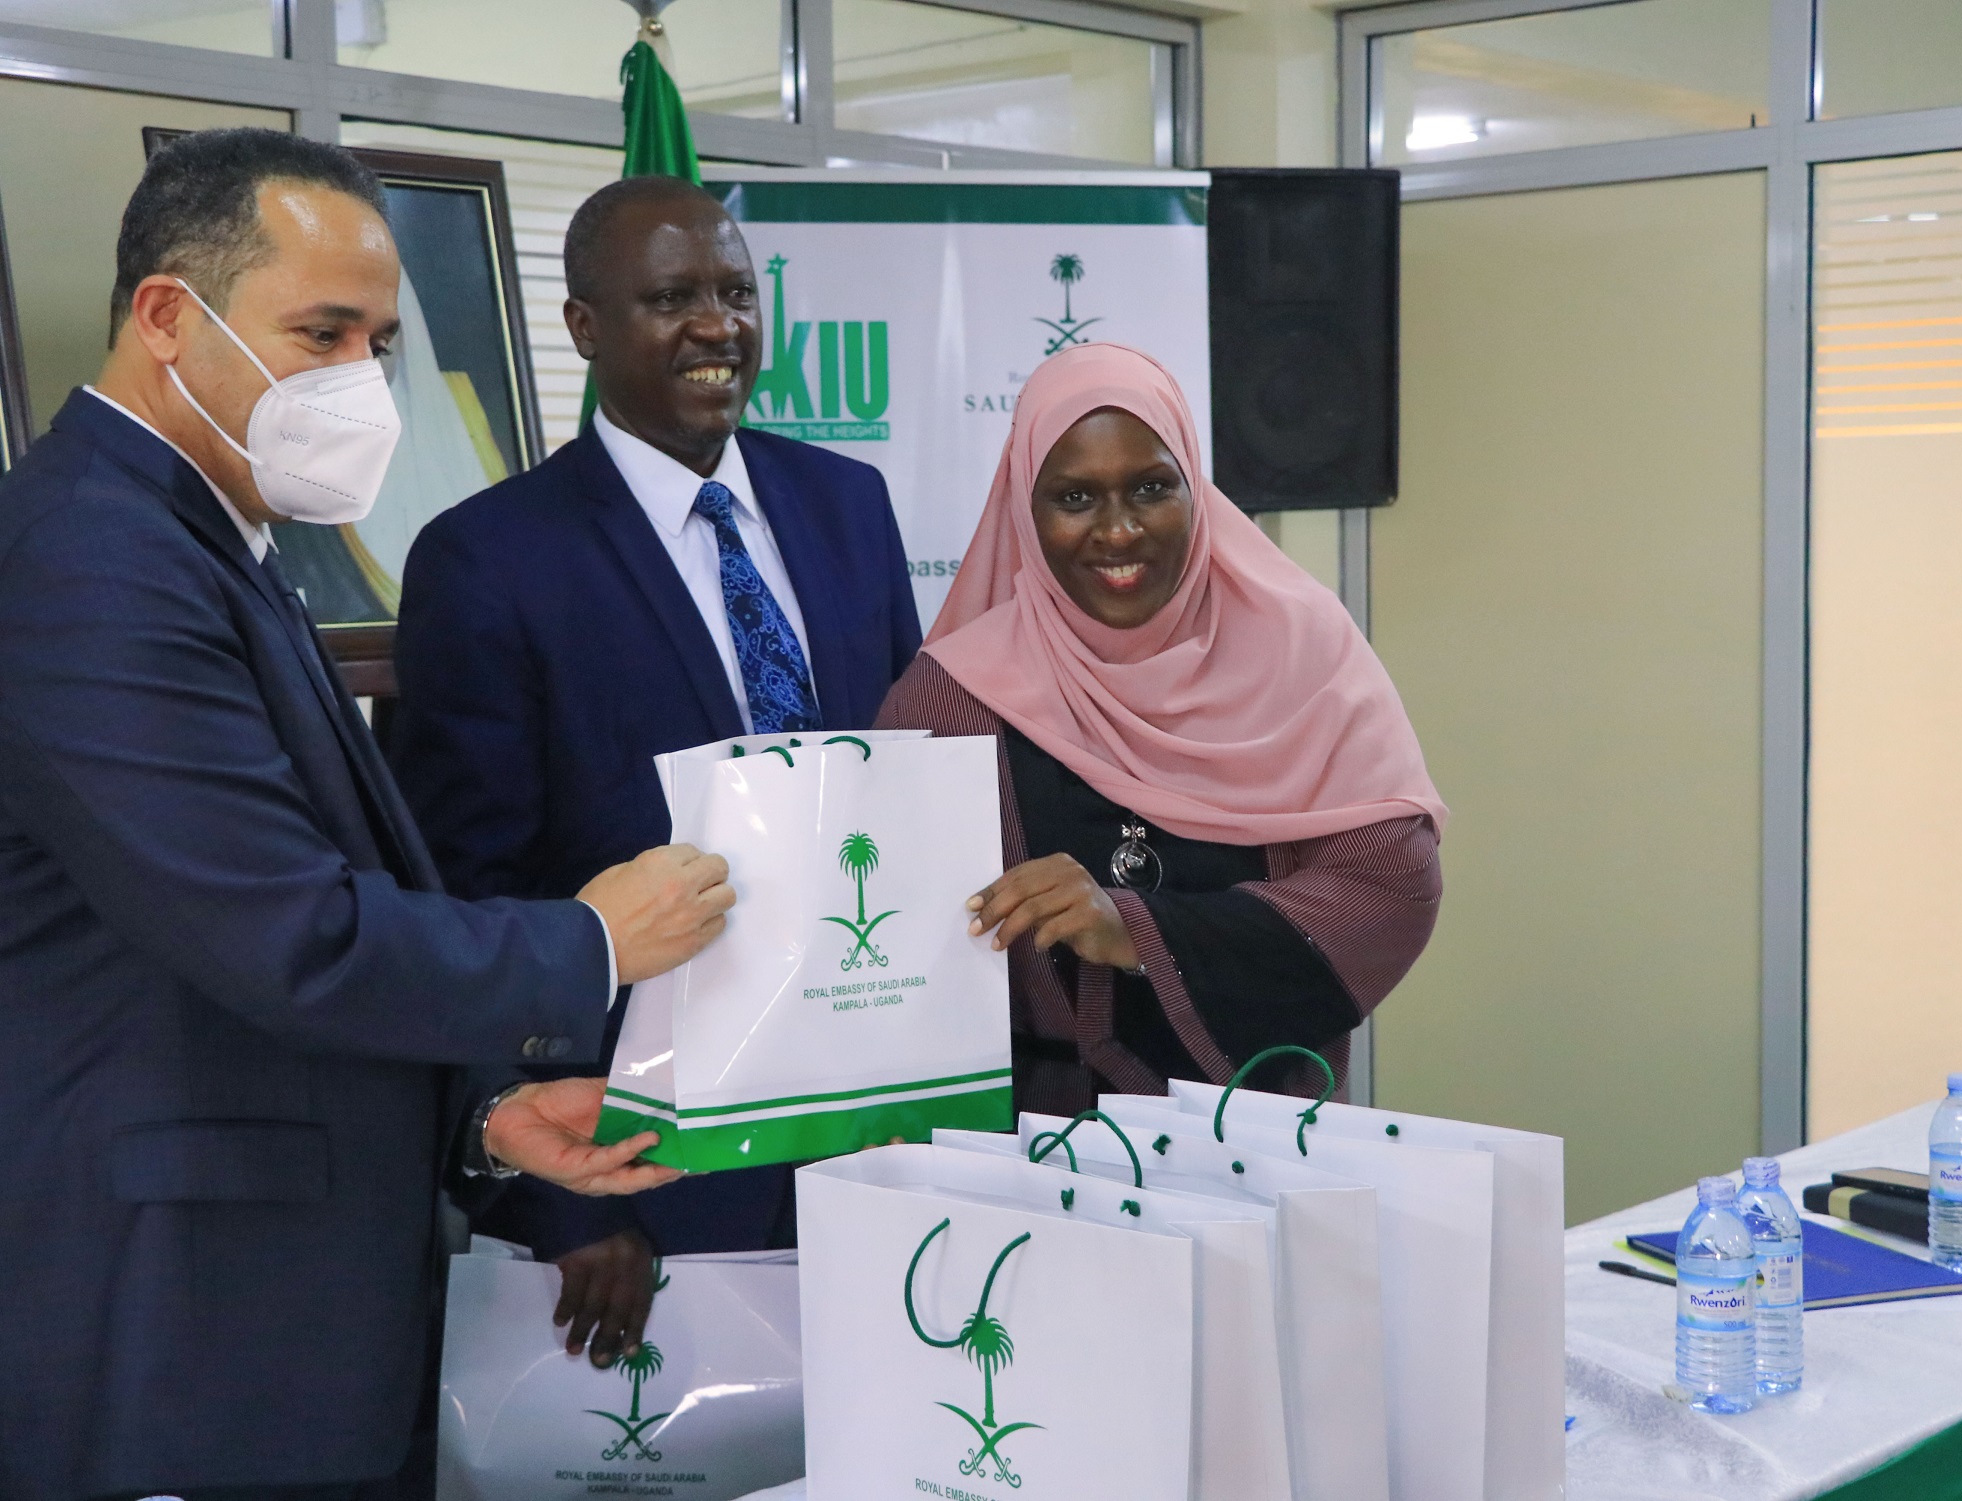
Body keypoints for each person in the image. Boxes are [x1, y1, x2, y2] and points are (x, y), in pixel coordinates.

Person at [0, 129, 737, 1501]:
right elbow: (285, 933)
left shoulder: (212, 533)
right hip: (174, 1328)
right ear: (166, 317)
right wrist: (589, 941)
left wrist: (482, 1117)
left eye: (380, 343)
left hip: (272, 1304)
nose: (361, 380)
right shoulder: (90, 556)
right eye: (321, 333)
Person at [391, 176, 921, 1364]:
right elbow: (465, 897)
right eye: (672, 298)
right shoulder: (487, 560)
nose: (716, 325)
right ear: (584, 328)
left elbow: (900, 786)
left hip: (870, 1144)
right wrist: (562, 1202)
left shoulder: (848, 504)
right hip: (642, 1171)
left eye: (736, 293)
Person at [876, 343, 1446, 1113]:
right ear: (1024, 510)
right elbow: (896, 947)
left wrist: (1140, 931)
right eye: (1075, 497)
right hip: (1032, 1146)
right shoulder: (952, 701)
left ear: (1194, 487)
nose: (1118, 531)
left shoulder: (1304, 648)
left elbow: (1391, 884)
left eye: (1150, 487)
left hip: (1265, 1133)